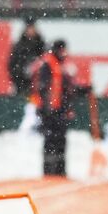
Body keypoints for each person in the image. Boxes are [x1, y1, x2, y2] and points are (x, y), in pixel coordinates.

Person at [33, 39, 90, 177]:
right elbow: (43, 88)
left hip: (59, 110)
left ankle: (59, 170)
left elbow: (68, 88)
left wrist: (83, 90)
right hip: (50, 111)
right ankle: (49, 171)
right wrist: (46, 109)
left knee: (60, 141)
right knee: (51, 141)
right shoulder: (48, 65)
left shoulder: (61, 66)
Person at [9, 18, 46, 131]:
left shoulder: (41, 45)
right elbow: (12, 66)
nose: (31, 31)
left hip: (39, 86)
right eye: (29, 28)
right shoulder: (19, 46)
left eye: (32, 28)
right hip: (24, 86)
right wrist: (22, 75)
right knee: (25, 110)